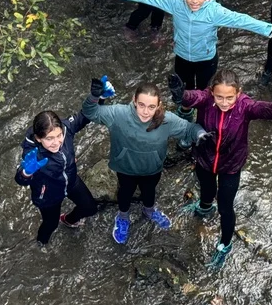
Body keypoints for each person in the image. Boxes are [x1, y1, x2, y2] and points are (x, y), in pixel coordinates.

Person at [96, 0, 272, 96]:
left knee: (202, 93)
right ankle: (185, 117)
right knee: (183, 92)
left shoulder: (215, 12)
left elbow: (244, 20)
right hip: (182, 58)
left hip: (206, 61)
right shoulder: (175, 2)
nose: (194, 1)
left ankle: (200, 122)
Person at [170, 70, 272, 269]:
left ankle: (225, 244)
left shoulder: (245, 106)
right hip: (204, 158)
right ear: (212, 92)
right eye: (219, 97)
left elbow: (262, 109)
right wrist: (180, 94)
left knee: (225, 207)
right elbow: (191, 97)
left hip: (231, 165)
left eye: (230, 97)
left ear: (239, 93)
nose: (224, 102)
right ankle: (204, 207)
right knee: (206, 189)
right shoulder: (205, 99)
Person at [81, 78, 206, 245]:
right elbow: (90, 112)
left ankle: (150, 210)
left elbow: (190, 129)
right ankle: (123, 217)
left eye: (151, 107)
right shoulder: (118, 114)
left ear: (159, 105)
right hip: (125, 168)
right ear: (134, 100)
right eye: (141, 105)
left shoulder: (167, 120)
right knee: (125, 192)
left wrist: (200, 134)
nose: (146, 112)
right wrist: (95, 96)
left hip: (152, 169)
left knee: (149, 191)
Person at [14, 87, 112, 248]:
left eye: (58, 136)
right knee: (50, 224)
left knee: (90, 208)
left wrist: (98, 97)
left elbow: (85, 115)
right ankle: (41, 243)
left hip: (71, 180)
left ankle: (68, 220)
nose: (56, 142)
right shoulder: (32, 154)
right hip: (48, 194)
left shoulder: (66, 129)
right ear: (38, 138)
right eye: (49, 138)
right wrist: (26, 172)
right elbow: (20, 179)